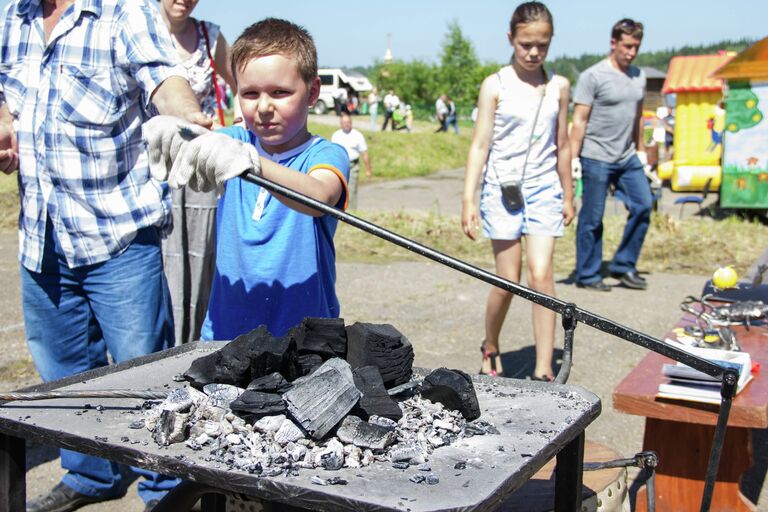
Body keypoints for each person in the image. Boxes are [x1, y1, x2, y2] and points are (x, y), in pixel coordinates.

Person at [0, 1, 211, 511]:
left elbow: (164, 80)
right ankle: (91, 475)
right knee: (64, 372)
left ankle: (163, 487)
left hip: (118, 233)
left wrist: (191, 124)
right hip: (42, 233)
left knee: (143, 377)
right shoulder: (14, 17)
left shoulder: (123, 12)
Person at [157, 17, 350, 340]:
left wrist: (251, 163)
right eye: (250, 94)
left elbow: (319, 197)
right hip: (225, 331)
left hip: (304, 338)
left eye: (279, 92)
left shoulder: (326, 154)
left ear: (313, 91)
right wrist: (174, 134)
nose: (263, 107)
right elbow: (196, 139)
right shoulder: (232, 140)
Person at [461, 1, 574, 381]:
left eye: (542, 45)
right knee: (507, 281)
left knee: (541, 276)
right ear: (511, 38)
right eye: (526, 44)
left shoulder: (559, 86)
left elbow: (563, 144)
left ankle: (544, 367)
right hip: (501, 188)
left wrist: (569, 193)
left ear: (551, 41)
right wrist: (468, 200)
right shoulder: (495, 85)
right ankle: (490, 342)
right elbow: (480, 145)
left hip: (545, 188)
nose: (533, 52)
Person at [158, 0, 238, 345]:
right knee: (161, 265)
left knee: (202, 261)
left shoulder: (210, 36)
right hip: (154, 170)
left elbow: (244, 81)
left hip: (200, 175)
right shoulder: (135, 30)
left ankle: (196, 345)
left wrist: (236, 127)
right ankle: (160, 347)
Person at [570, 18, 652, 292]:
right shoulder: (592, 76)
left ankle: (623, 264)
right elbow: (579, 119)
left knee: (643, 205)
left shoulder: (638, 76)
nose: (631, 52)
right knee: (593, 217)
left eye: (636, 47)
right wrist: (573, 158)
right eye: (627, 46)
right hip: (596, 155)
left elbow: (639, 117)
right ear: (613, 42)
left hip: (627, 156)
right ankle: (588, 273)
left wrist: (641, 150)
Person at [332, 113, 372, 209]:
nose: (346, 124)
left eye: (348, 122)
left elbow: (364, 153)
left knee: (351, 189)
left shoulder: (357, 135)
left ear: (351, 123)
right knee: (339, 190)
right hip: (340, 165)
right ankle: (339, 211)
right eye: (344, 122)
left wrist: (368, 169)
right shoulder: (336, 135)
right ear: (341, 123)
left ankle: (352, 212)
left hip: (353, 165)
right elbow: (333, 152)